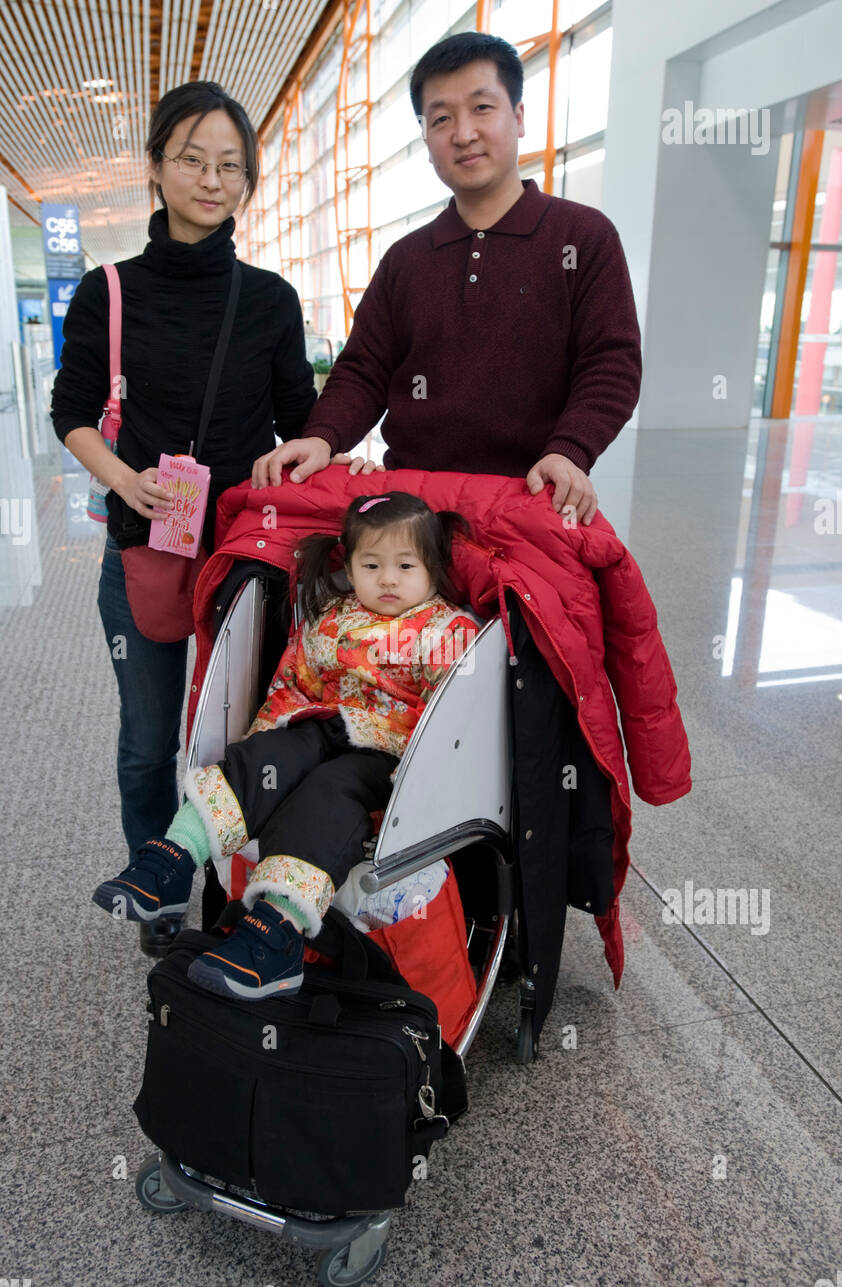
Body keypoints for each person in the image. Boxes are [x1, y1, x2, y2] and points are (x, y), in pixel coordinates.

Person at [51, 81, 321, 951]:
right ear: (158, 168)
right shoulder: (110, 291)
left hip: (245, 557)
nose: (212, 179)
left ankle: (251, 895)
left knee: (245, 738)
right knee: (146, 739)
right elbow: (72, 409)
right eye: (192, 160)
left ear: (248, 180)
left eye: (231, 165)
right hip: (145, 551)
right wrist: (125, 482)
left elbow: (300, 422)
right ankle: (158, 890)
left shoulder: (272, 300)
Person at [91, 492, 480, 998]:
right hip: (316, 726)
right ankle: (172, 857)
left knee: (327, 792)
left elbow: (451, 719)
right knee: (266, 758)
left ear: (432, 568)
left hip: (386, 756)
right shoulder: (330, 618)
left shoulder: (447, 629)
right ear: (350, 566)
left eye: (405, 565)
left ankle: (276, 931)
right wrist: (273, 737)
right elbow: (291, 686)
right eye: (372, 564)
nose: (388, 579)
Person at [250, 31, 642, 524]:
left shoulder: (583, 236)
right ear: (426, 137)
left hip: (530, 501)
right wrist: (321, 437)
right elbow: (364, 368)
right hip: (411, 512)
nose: (463, 133)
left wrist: (570, 450)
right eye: (441, 118)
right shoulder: (407, 258)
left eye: (482, 108)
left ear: (518, 118)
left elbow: (611, 364)